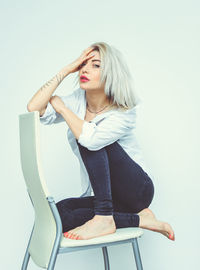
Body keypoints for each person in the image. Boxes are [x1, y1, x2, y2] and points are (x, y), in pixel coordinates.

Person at [27, 42, 175, 241]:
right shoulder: (79, 100)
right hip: (111, 198)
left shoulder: (124, 111)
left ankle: (104, 217)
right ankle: (140, 219)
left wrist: (62, 109)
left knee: (87, 136)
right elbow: (33, 108)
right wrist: (66, 70)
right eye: (83, 64)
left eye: (95, 65)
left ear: (111, 74)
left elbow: (89, 140)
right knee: (58, 214)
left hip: (137, 190)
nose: (85, 69)